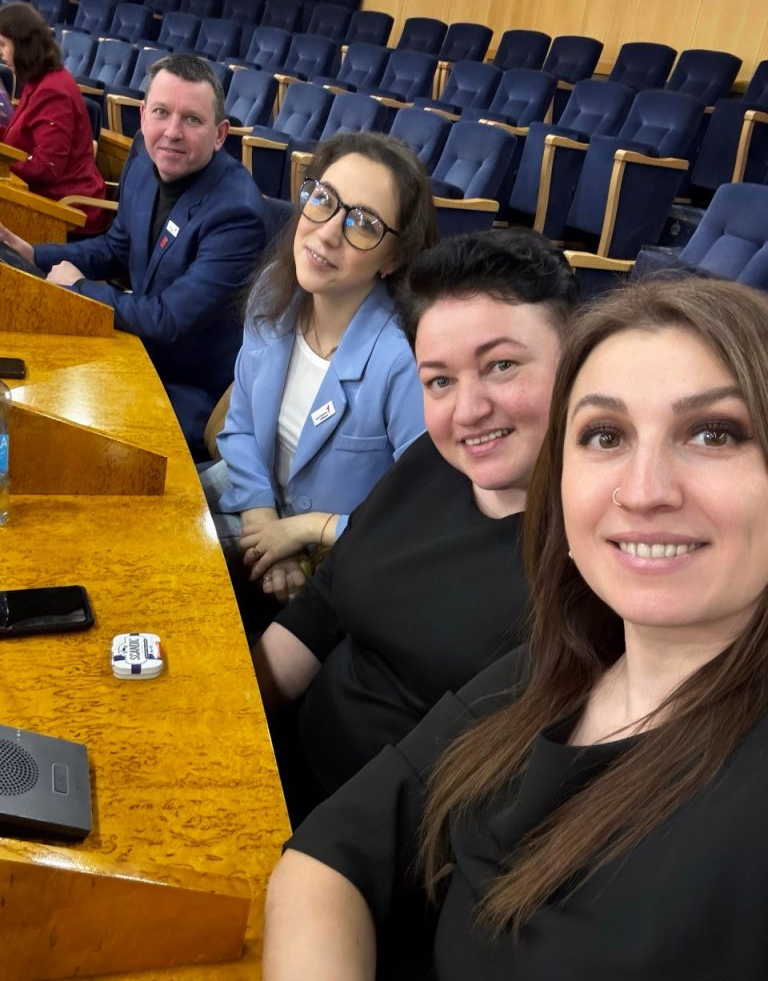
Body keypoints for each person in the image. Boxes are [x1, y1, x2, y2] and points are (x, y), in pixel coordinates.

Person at [265, 275, 768, 980]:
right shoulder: (561, 664)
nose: (644, 490)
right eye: (605, 435)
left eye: (715, 434)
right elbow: (333, 850)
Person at [253, 229, 577, 818]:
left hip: (367, 839)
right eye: (440, 381)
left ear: (577, 360)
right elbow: (322, 609)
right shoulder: (432, 461)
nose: (469, 411)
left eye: (501, 365)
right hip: (274, 768)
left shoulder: (591, 561)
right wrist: (232, 716)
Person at [205, 131, 437, 616]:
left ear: (392, 258)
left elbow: (422, 516)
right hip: (256, 506)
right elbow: (240, 425)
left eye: (364, 223)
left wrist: (304, 531)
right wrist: (264, 525)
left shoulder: (403, 362)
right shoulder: (274, 292)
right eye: (324, 199)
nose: (328, 232)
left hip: (345, 562)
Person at [0, 53, 271, 458]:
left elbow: (170, 319)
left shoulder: (237, 214)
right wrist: (34, 254)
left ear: (219, 134)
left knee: (58, 435)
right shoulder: (144, 162)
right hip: (133, 346)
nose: (172, 132)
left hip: (187, 386)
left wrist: (78, 287)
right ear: (143, 115)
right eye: (161, 112)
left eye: (192, 119)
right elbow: (117, 248)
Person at [0, 2, 108, 235]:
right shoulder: (39, 81)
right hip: (45, 201)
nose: (1, 53)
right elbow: (21, 139)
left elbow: (46, 167)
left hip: (68, 212)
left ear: (23, 46)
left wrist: (3, 163)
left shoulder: (53, 91)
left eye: (3, 45)